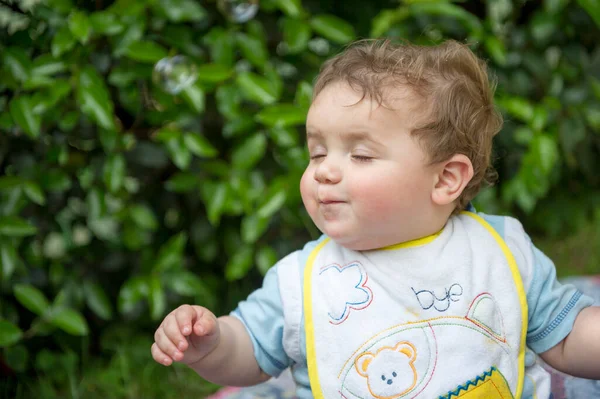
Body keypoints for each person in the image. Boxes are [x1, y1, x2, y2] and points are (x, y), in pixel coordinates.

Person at [151, 39, 600, 398]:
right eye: (317, 152)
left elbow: (564, 337)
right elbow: (248, 352)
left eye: (361, 154)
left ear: (446, 179)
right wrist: (211, 345)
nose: (324, 169)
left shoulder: (500, 249)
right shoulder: (303, 281)